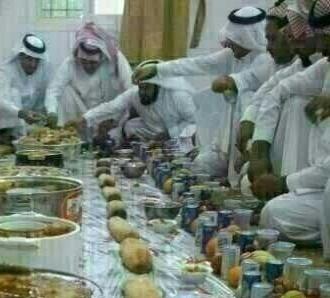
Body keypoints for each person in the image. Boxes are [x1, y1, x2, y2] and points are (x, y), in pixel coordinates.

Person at [134, 6, 269, 181]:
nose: (227, 44)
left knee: (240, 180)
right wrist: (157, 70)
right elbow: (197, 64)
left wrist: (228, 81)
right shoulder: (232, 55)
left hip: (252, 136)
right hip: (226, 135)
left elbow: (239, 81)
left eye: (233, 40)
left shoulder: (265, 60)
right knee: (200, 165)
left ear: (247, 39)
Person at [254, 0, 330, 259]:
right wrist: (259, 147)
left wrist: (284, 183)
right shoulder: (325, 66)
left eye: (325, 38)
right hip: (320, 181)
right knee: (274, 212)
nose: (321, 47)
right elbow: (279, 89)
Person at [237, 2, 317, 182]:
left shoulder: (317, 63)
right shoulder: (301, 63)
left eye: (273, 39)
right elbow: (270, 92)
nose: (293, 42)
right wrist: (250, 125)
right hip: (292, 169)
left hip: (311, 173)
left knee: (297, 104)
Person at [82, 60, 196, 148]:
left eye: (146, 88)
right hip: (151, 134)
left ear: (158, 86)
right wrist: (86, 118)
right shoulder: (135, 93)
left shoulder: (178, 96)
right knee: (130, 126)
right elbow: (112, 106)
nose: (141, 92)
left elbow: (195, 122)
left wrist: (170, 133)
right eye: (140, 87)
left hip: (176, 137)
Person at [45, 22, 133, 127]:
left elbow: (131, 91)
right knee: (65, 91)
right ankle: (66, 132)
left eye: (92, 62)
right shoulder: (71, 62)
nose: (87, 66)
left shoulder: (116, 60)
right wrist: (51, 112)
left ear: (103, 56)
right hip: (80, 112)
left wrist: (114, 118)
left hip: (109, 113)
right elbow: (53, 89)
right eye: (83, 61)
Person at [0, 34, 50, 138]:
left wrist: (41, 118)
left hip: (21, 121)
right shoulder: (5, 70)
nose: (33, 64)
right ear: (20, 56)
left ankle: (18, 138)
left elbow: (39, 105)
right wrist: (21, 113)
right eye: (29, 59)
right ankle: (14, 139)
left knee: (41, 132)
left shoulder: (40, 73)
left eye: (36, 60)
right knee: (14, 93)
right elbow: (1, 102)